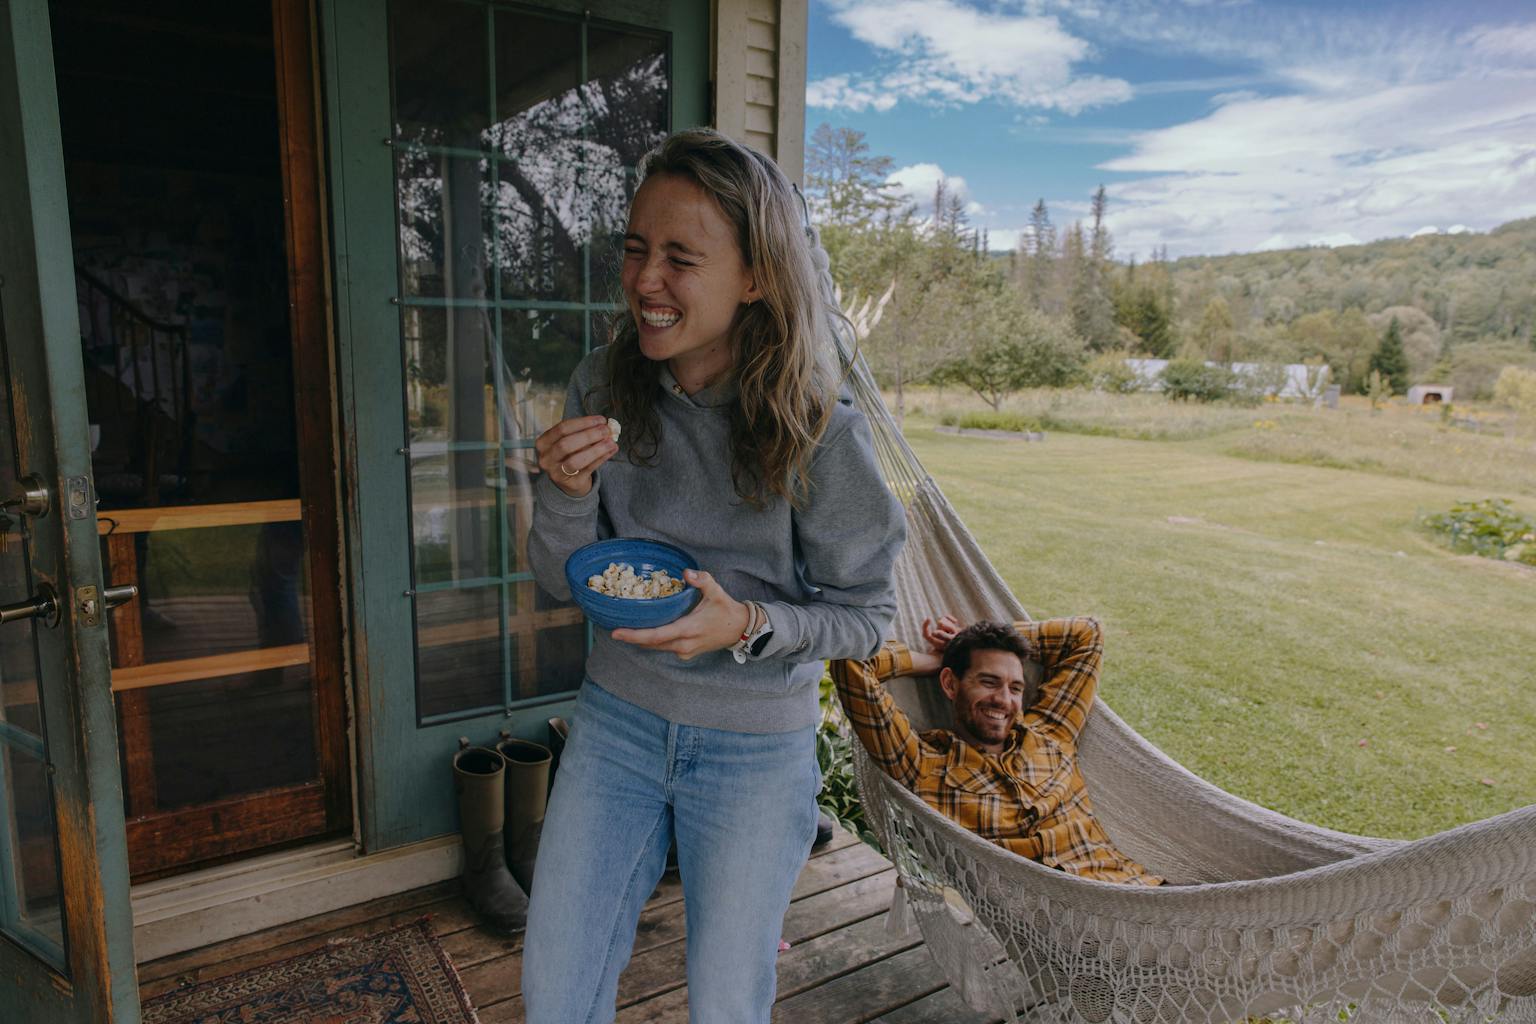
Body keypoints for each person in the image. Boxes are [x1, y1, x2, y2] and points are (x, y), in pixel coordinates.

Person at [523, 128, 905, 1023]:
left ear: (756, 277)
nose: (645, 281)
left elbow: (868, 618)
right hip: (615, 722)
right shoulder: (601, 386)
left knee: (728, 1003)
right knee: (555, 992)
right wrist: (567, 494)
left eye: (681, 259)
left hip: (754, 749)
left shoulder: (819, 429)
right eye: (635, 250)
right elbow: (558, 580)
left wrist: (750, 625)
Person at [832, 615, 1161, 885]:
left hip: (1133, 895)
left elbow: (1086, 634)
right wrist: (937, 660)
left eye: (1015, 688)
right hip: (1048, 920)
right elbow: (851, 663)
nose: (1004, 700)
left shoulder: (1052, 731)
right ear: (949, 683)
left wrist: (965, 635)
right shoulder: (921, 764)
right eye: (988, 682)